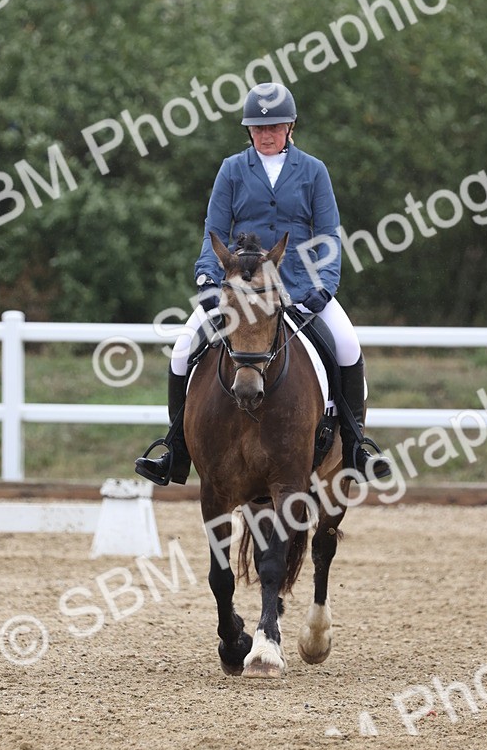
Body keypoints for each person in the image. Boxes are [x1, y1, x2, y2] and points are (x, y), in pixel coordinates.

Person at [135, 82, 392, 485]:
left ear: (290, 127)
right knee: (183, 350)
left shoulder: (313, 171)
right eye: (258, 128)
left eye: (273, 127)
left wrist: (325, 285)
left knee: (347, 346)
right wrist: (206, 277)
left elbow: (328, 234)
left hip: (300, 286)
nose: (266, 135)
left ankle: (356, 446)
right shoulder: (232, 169)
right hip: (241, 288)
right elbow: (214, 230)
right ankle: (176, 451)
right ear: (249, 131)